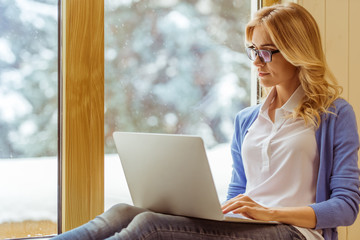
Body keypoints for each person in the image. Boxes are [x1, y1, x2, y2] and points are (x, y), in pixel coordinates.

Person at [53, 2, 359, 240]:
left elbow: (346, 207)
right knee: (123, 212)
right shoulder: (247, 120)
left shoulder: (334, 114)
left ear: (296, 52)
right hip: (247, 228)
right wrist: (211, 214)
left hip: (294, 233)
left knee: (150, 226)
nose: (256, 62)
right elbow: (237, 193)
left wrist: (270, 213)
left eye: (266, 53)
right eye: (253, 50)